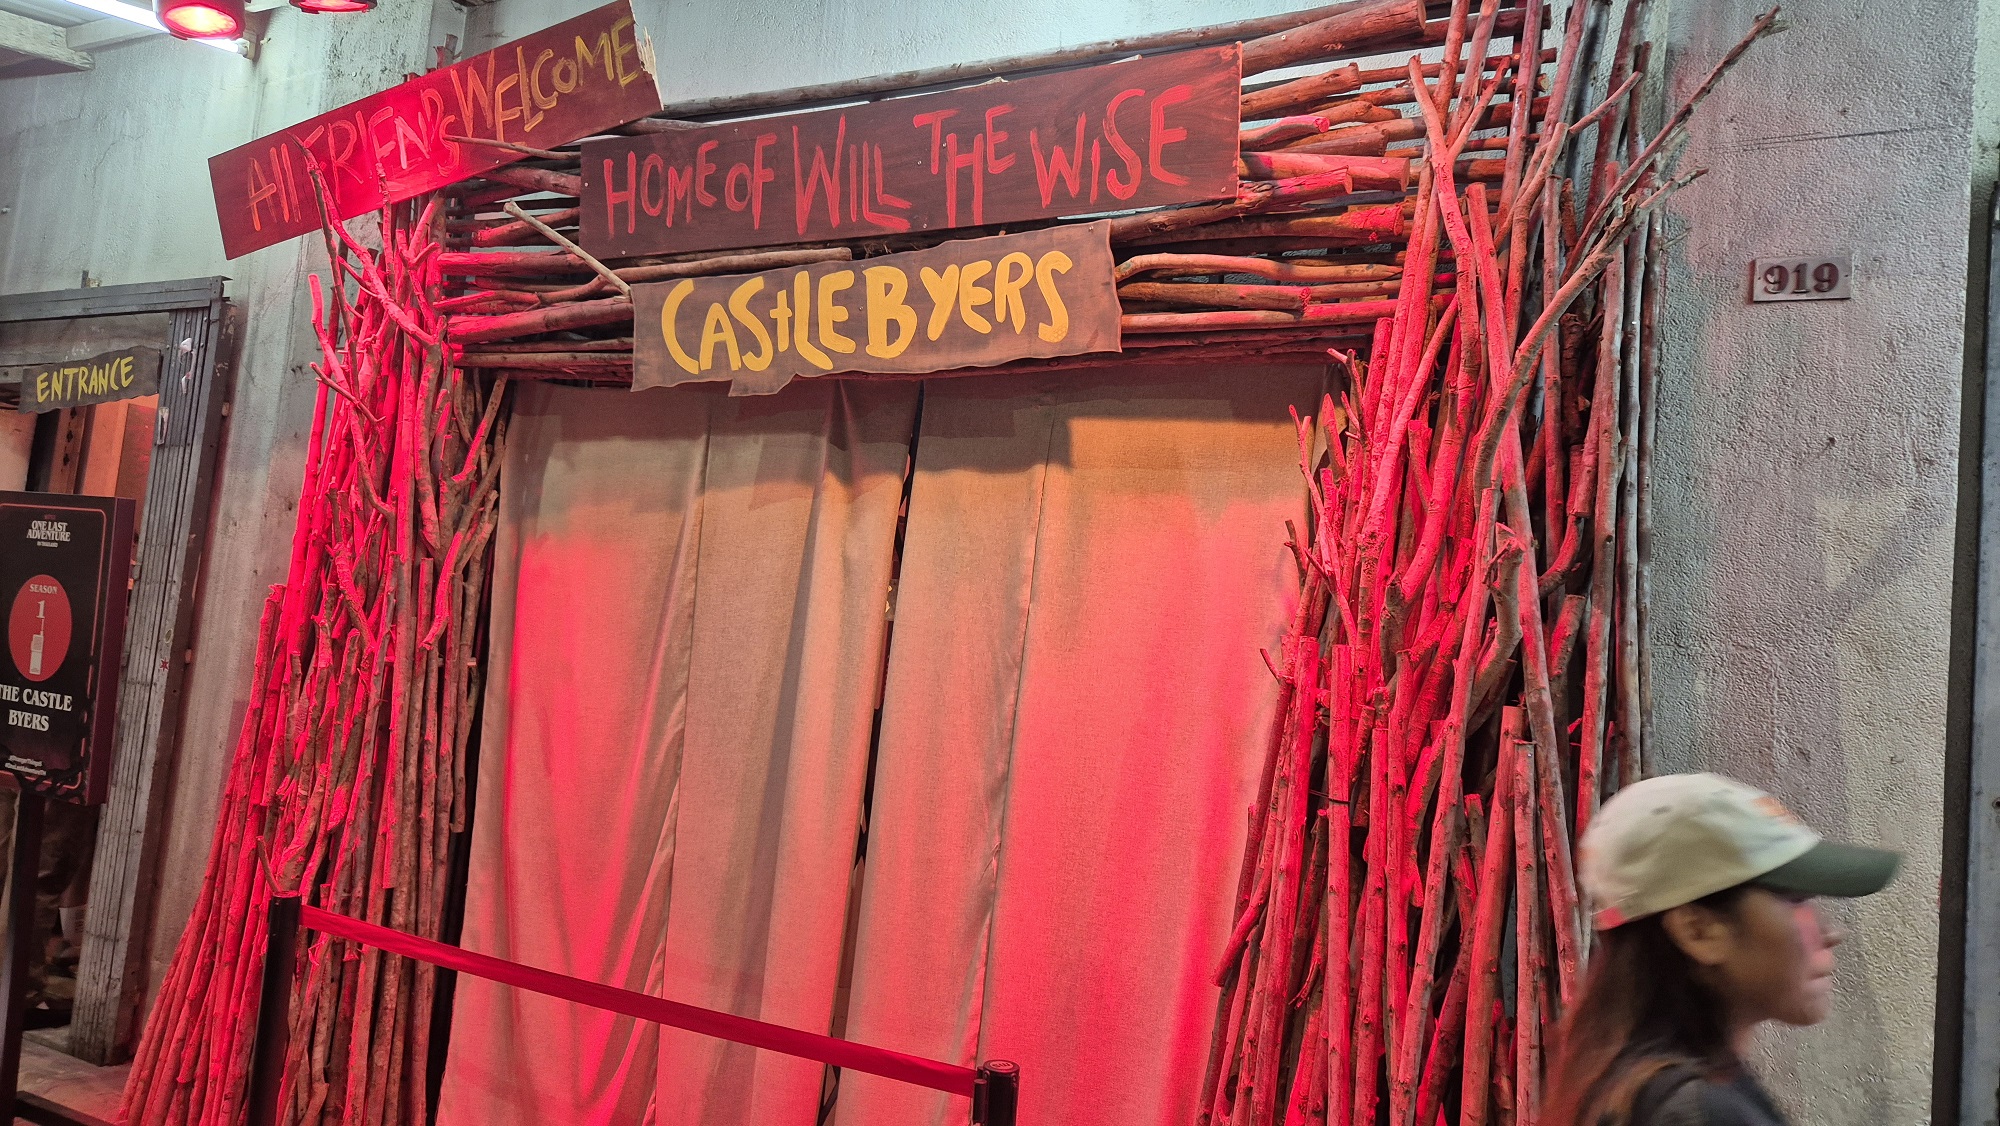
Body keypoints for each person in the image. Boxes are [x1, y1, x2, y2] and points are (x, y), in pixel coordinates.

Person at [1544, 773, 1900, 1126]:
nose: (1831, 932)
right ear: (1698, 932)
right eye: (1795, 898)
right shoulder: (1697, 1112)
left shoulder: (1632, 1087)